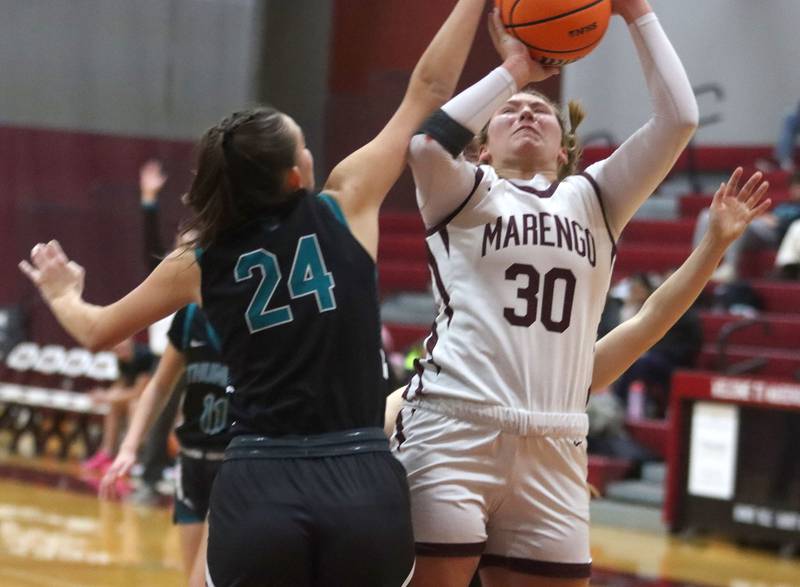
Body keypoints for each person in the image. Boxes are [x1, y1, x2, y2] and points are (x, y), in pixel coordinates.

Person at [19, 1, 490, 584]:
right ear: (295, 175)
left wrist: (62, 292)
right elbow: (430, 89)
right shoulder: (344, 203)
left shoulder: (198, 259)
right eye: (302, 146)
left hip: (261, 482)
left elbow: (97, 330)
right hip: (360, 478)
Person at [392, 1, 699, 585]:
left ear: (564, 149)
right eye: (510, 110)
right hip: (454, 426)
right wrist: (513, 70)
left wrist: (637, 14)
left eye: (541, 110)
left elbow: (679, 119)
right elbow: (426, 144)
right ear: (483, 146)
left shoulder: (596, 197)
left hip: (557, 439)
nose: (528, 110)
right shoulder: (464, 190)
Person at [385, 168, 770, 586]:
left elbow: (649, 320)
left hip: (547, 467)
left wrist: (714, 245)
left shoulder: (571, 372)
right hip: (447, 444)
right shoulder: (441, 383)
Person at [99, 303, 230, 587]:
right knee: (192, 578)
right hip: (192, 461)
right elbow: (159, 385)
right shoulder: (190, 317)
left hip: (231, 464)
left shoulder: (255, 316)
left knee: (204, 580)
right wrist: (129, 447)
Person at [692, 170, 800, 281]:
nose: (795, 190)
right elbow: (770, 216)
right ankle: (696, 263)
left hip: (775, 233)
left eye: (798, 187)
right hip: (760, 226)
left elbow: (793, 227)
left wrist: (777, 221)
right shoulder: (785, 205)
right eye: (793, 186)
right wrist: (764, 217)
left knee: (740, 224)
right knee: (706, 215)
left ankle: (730, 267)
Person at [82, 337, 155, 472]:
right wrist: (105, 394)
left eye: (121, 344)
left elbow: (139, 392)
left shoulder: (145, 356)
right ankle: (107, 452)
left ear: (130, 339)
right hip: (137, 397)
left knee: (134, 405)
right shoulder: (122, 359)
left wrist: (107, 397)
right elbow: (121, 384)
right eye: (115, 348)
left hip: (153, 400)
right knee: (114, 405)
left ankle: (133, 455)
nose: (118, 348)